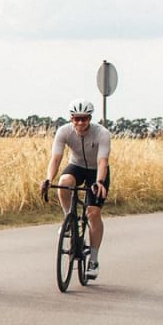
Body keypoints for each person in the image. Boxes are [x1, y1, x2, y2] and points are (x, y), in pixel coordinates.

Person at [41, 99, 111, 279]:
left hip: (97, 171)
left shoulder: (102, 133)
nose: (80, 123)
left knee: (93, 213)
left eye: (84, 119)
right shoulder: (64, 131)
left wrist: (100, 182)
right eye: (77, 119)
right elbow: (56, 159)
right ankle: (68, 219)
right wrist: (48, 179)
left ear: (90, 118)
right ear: (71, 118)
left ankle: (93, 260)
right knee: (64, 181)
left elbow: (103, 161)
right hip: (77, 167)